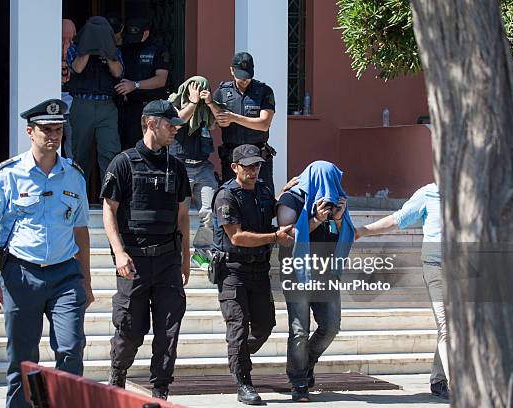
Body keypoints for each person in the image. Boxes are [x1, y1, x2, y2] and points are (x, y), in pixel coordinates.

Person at [0, 99, 94, 408]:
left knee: (70, 349)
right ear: (30, 132)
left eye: (58, 130)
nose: (53, 136)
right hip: (21, 275)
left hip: (65, 274)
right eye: (46, 130)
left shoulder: (74, 175)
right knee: (22, 359)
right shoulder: (8, 174)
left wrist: (87, 282)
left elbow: (81, 231)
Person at [101, 100, 191, 400]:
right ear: (151, 123)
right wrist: (119, 252)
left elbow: (182, 216)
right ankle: (118, 374)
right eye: (170, 125)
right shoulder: (123, 163)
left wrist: (185, 258)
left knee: (168, 331)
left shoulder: (176, 166)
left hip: (167, 259)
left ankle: (161, 390)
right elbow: (108, 210)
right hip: (134, 260)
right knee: (130, 329)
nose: (175, 131)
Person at [211, 144, 295, 405]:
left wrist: (287, 194)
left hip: (259, 270)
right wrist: (274, 237)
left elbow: (273, 209)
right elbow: (235, 237)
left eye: (256, 165)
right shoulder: (226, 196)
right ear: (235, 167)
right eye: (247, 166)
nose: (253, 170)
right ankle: (243, 382)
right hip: (232, 271)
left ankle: (237, 357)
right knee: (238, 327)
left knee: (264, 325)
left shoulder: (263, 190)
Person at [355, 182, 450, 399]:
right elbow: (399, 219)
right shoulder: (430, 192)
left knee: (454, 328)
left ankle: (438, 379)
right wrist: (362, 231)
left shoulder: (476, 190)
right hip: (436, 266)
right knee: (447, 326)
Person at [276, 161, 355, 402]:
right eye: (327, 180)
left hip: (325, 273)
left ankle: (305, 362)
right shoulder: (292, 200)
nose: (332, 187)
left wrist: (339, 220)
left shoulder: (337, 202)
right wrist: (316, 220)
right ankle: (299, 382)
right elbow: (286, 236)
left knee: (331, 327)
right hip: (297, 273)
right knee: (299, 330)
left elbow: (344, 237)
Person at [206, 52, 276, 193]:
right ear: (231, 70)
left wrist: (234, 118)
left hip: (257, 156)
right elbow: (214, 123)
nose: (244, 80)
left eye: (248, 76)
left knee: (263, 201)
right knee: (231, 198)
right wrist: (210, 104)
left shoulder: (264, 91)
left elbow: (264, 124)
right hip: (233, 158)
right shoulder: (222, 92)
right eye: (240, 76)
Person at [67, 16, 124, 187]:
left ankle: (109, 196)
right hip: (82, 105)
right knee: (80, 154)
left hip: (106, 106)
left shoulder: (114, 51)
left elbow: (117, 72)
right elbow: (77, 67)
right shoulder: (75, 49)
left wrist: (107, 53)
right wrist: (88, 48)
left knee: (109, 152)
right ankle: (78, 195)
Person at [168, 76, 219, 268]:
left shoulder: (205, 110)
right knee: (177, 214)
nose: (199, 90)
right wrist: (192, 102)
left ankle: (202, 253)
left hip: (203, 167)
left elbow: (217, 123)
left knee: (210, 211)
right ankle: (176, 254)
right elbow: (178, 121)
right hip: (180, 166)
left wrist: (209, 103)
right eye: (196, 88)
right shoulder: (172, 105)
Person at [116, 16, 171, 150]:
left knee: (154, 146)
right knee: (130, 147)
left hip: (153, 107)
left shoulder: (158, 49)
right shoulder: (126, 47)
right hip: (130, 108)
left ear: (146, 32)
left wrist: (134, 85)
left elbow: (161, 79)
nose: (133, 40)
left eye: (137, 35)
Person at [61, 18, 76, 159]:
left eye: (71, 39)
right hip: (51, 105)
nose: (68, 43)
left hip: (70, 106)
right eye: (64, 38)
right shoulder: (45, 51)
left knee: (72, 146)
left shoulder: (74, 51)